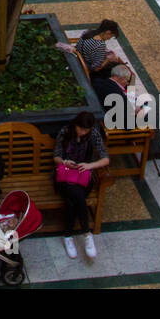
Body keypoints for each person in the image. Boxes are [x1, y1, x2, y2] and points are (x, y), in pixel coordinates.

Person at [53, 111, 110, 260]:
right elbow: (57, 156)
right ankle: (86, 233)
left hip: (84, 175)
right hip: (65, 175)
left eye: (86, 130)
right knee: (76, 196)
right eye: (81, 129)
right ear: (76, 125)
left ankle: (68, 236)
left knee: (72, 201)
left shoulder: (93, 134)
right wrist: (65, 162)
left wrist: (90, 165)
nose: (83, 132)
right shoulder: (65, 132)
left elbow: (105, 159)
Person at [93, 64, 160, 158]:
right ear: (119, 78)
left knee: (148, 104)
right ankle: (152, 152)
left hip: (113, 113)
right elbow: (126, 122)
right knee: (154, 114)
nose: (127, 83)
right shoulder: (115, 92)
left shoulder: (101, 83)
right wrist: (138, 112)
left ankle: (151, 147)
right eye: (126, 80)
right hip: (121, 122)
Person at [61, 19, 126, 80]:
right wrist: (107, 60)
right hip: (85, 66)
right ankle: (130, 88)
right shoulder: (100, 45)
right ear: (108, 32)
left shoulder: (87, 32)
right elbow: (96, 68)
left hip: (77, 57)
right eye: (111, 36)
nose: (109, 39)